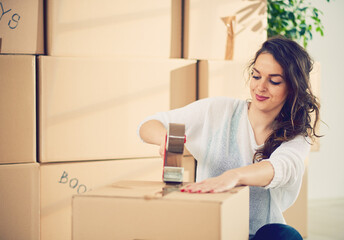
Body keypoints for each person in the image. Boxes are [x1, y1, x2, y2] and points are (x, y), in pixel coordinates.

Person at [137, 36, 321, 239]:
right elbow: (149, 125)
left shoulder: (296, 136)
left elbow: (279, 168)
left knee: (286, 236)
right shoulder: (218, 111)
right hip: (211, 229)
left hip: (260, 233)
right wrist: (166, 138)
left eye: (274, 81)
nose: (260, 87)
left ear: (293, 87)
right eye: (256, 76)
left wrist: (233, 176)